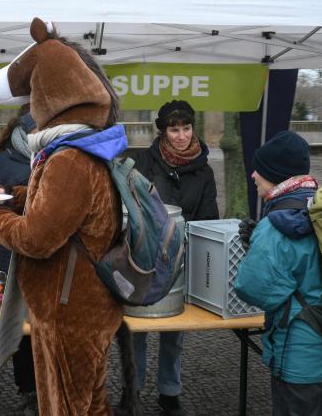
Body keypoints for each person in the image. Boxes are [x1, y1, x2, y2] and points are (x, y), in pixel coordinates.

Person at [0, 18, 128, 415]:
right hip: (82, 308)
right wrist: (10, 197)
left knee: (70, 409)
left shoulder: (69, 159)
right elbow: (66, 209)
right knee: (91, 406)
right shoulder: (84, 147)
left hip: (69, 313)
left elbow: (37, 239)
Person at [234, 131, 322, 416]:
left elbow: (252, 287)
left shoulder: (275, 226)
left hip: (304, 359)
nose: (254, 175)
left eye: (259, 169)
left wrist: (259, 252)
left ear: (276, 175)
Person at [131, 100, 219, 415]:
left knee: (174, 330)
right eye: (173, 129)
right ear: (163, 131)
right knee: (136, 330)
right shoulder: (145, 163)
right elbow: (133, 212)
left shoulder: (204, 170)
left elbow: (209, 217)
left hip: (183, 258)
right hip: (145, 258)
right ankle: (135, 390)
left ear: (193, 128)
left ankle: (169, 392)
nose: (180, 135)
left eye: (185, 128)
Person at [0, 106, 38, 414]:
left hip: (51, 254)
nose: (39, 135)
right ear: (23, 130)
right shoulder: (7, 160)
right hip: (16, 252)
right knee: (20, 322)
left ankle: (49, 383)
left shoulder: (56, 157)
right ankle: (27, 389)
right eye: (35, 130)